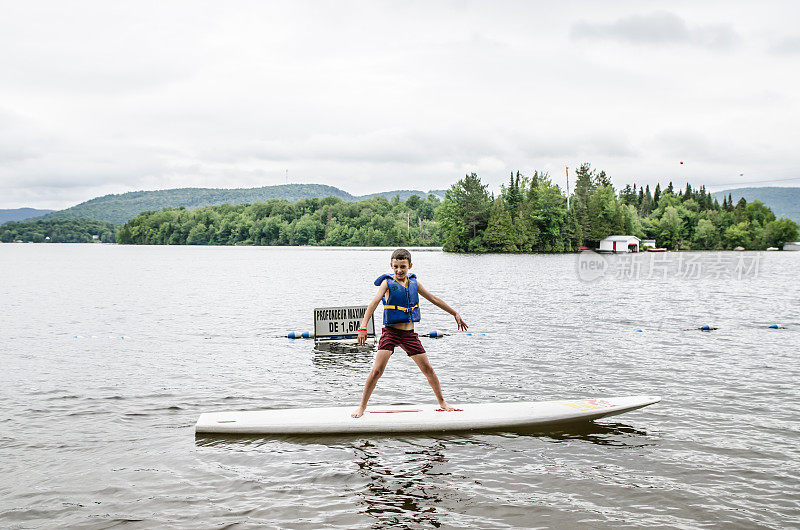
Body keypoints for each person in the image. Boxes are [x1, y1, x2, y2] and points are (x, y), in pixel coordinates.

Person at [351, 248, 468, 418]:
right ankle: (362, 406)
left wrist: (454, 313)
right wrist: (362, 328)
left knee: (428, 369)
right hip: (390, 333)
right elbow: (374, 304)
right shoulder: (387, 283)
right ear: (391, 265)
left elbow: (434, 299)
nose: (399, 270)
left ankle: (442, 402)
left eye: (403, 267)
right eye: (396, 266)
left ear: (410, 266)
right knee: (377, 371)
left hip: (409, 334)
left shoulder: (414, 283)